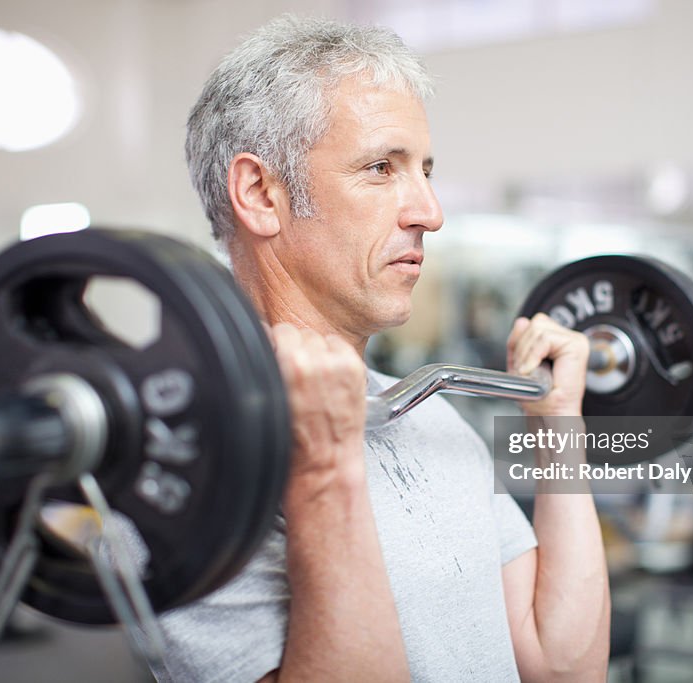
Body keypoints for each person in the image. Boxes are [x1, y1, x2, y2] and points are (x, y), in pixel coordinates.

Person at [161, 15, 610, 682]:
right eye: (381, 168)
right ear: (261, 194)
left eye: (424, 171)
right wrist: (320, 473)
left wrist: (559, 426)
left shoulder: (427, 411)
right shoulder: (182, 465)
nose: (430, 210)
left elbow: (561, 664)